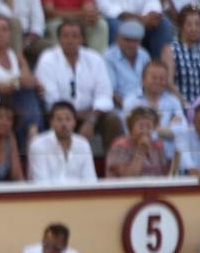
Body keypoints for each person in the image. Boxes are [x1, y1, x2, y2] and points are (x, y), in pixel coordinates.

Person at [35, 19, 119, 150]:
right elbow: (52, 100)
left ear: (82, 39)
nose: (70, 40)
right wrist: (76, 116)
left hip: (92, 115)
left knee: (113, 119)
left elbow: (104, 95)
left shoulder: (94, 59)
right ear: (59, 39)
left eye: (75, 36)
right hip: (60, 116)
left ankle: (114, 166)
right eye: (66, 36)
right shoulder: (47, 60)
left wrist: (91, 119)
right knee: (59, 119)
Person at [29, 101, 96, 183]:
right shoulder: (38, 145)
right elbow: (41, 184)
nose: (64, 124)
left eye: (68, 119)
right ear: (51, 123)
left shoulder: (83, 144)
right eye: (59, 119)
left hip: (78, 195)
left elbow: (90, 181)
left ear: (74, 122)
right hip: (47, 195)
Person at [162, 5, 200, 108]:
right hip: (180, 105)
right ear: (181, 26)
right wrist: (185, 104)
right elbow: (168, 82)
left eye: (197, 25)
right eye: (189, 25)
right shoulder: (170, 49)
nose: (194, 29)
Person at [105, 106, 169, 178]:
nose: (144, 130)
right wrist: (141, 151)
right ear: (131, 127)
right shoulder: (119, 146)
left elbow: (164, 175)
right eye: (141, 126)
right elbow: (128, 178)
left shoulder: (157, 145)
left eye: (148, 127)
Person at [105, 19, 149, 111]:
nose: (131, 45)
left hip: (145, 105)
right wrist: (131, 109)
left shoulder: (144, 55)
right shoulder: (108, 57)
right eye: (127, 40)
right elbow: (112, 92)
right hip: (120, 107)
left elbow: (149, 85)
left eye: (135, 41)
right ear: (118, 39)